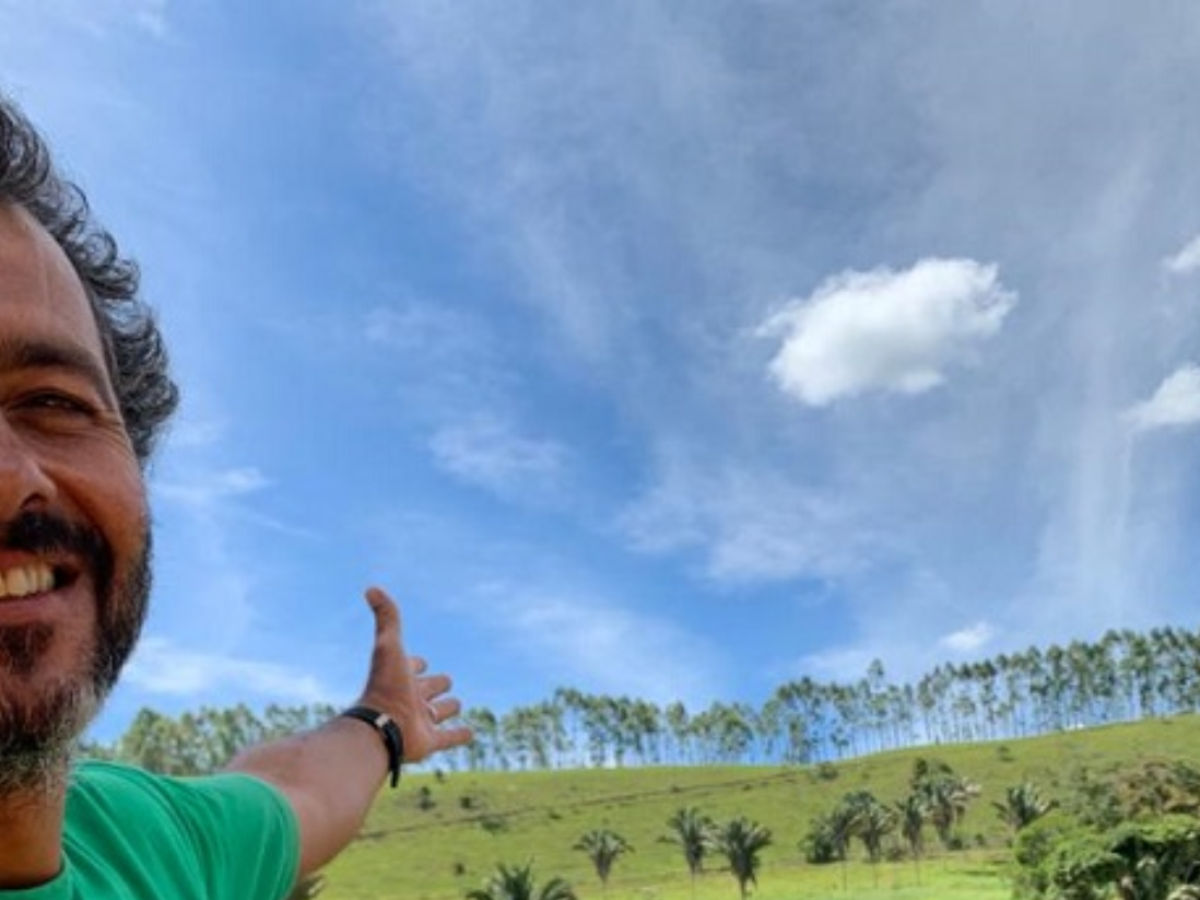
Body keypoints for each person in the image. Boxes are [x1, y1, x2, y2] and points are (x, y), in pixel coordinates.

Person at [0, 92, 472, 896]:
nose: (12, 478)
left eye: (52, 401)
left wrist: (383, 720)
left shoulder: (150, 848)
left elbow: (296, 791)